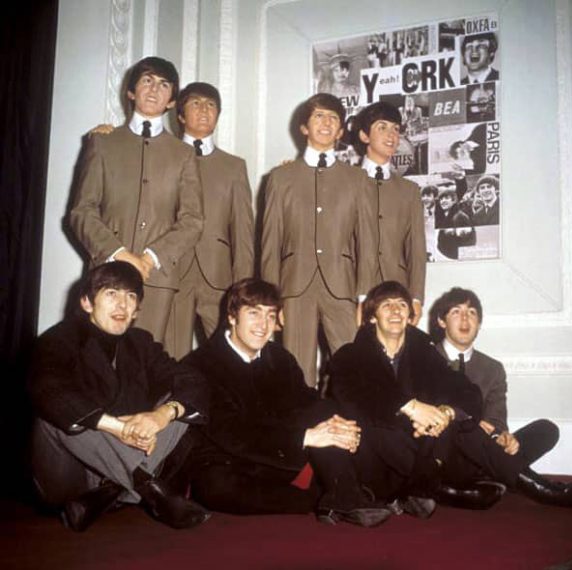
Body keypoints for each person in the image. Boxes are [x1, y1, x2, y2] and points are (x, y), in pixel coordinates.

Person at [180, 278, 392, 527]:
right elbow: (230, 432)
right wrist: (306, 438)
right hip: (229, 465)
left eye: (271, 316)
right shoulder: (200, 365)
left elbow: (307, 402)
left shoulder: (279, 357)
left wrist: (340, 427)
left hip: (279, 459)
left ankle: (342, 493)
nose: (263, 325)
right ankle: (331, 495)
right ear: (232, 316)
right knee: (219, 488)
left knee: (327, 408)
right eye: (253, 313)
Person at [328, 280, 549, 510]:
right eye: (387, 305)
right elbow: (350, 398)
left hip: (427, 450)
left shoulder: (424, 353)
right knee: (378, 425)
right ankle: (442, 489)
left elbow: (467, 392)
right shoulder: (350, 355)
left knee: (461, 419)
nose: (395, 311)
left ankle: (536, 486)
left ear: (410, 316)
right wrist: (411, 408)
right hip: (381, 459)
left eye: (402, 305)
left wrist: (445, 413)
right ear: (372, 317)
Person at [28, 262, 210, 531]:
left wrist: (160, 416)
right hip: (72, 475)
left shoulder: (140, 343)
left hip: (115, 466)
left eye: (131, 297)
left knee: (182, 403)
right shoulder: (59, 339)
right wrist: (115, 427)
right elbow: (47, 386)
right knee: (56, 410)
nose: (122, 305)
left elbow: (193, 381)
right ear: (87, 302)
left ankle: (110, 492)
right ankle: (146, 486)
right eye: (111, 294)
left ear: (137, 311)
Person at [69, 56, 204, 356]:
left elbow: (193, 220)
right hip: (105, 273)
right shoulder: (102, 143)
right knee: (95, 361)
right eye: (147, 80)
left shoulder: (184, 154)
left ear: (171, 101)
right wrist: (118, 254)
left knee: (144, 365)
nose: (154, 89)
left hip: (156, 278)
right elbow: (82, 211)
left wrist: (150, 258)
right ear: (131, 92)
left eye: (163, 84)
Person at [261, 93, 376, 387]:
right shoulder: (280, 178)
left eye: (333, 118)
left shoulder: (358, 179)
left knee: (355, 372)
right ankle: (303, 431)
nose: (326, 123)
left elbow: (367, 242)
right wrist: (270, 301)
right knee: (295, 374)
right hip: (293, 289)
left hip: (344, 290)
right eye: (319, 116)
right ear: (304, 127)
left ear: (340, 131)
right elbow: (270, 243)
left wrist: (364, 296)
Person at [430, 287, 572, 507]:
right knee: (465, 424)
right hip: (443, 453)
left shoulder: (493, 368)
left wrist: (501, 437)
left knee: (546, 429)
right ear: (441, 321)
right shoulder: (425, 357)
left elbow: (496, 418)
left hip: (481, 452)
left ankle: (487, 479)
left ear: (479, 323)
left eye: (472, 312)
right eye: (456, 311)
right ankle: (549, 491)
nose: (465, 318)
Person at [166, 82, 254, 359]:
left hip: (219, 279)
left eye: (211, 105)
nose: (204, 110)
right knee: (169, 356)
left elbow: (243, 231)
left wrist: (243, 286)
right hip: (171, 273)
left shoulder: (234, 166)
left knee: (229, 357)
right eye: (195, 103)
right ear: (180, 115)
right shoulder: (162, 157)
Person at [355, 101, 426, 323]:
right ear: (364, 136)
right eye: (382, 127)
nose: (391, 135)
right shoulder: (343, 183)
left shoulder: (409, 191)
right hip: (350, 294)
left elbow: (416, 249)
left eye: (396, 129)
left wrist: (415, 297)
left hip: (397, 295)